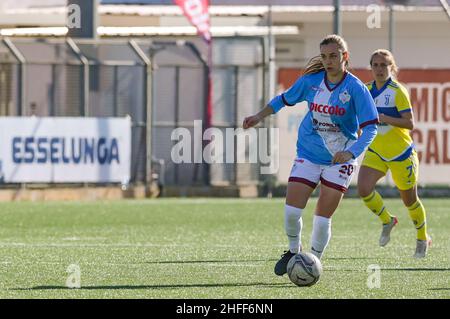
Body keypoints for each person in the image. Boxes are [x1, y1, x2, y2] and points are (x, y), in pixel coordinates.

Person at [243, 34, 379, 276]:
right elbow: (283, 100)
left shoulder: (356, 88)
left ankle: (313, 261)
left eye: (334, 56)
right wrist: (258, 116)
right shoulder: (311, 82)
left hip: (340, 159)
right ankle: (294, 251)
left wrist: (350, 152)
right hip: (308, 152)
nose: (328, 61)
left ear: (344, 57)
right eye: (325, 56)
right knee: (291, 211)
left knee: (321, 218)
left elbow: (371, 127)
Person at [358, 49, 431, 258]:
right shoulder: (366, 90)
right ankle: (388, 220)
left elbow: (410, 123)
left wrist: (383, 117)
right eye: (375, 65)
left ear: (392, 67)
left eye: (384, 65)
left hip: (401, 154)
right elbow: (360, 118)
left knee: (410, 201)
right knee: (363, 189)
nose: (379, 69)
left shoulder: (397, 90)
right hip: (376, 151)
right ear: (370, 67)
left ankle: (422, 237)